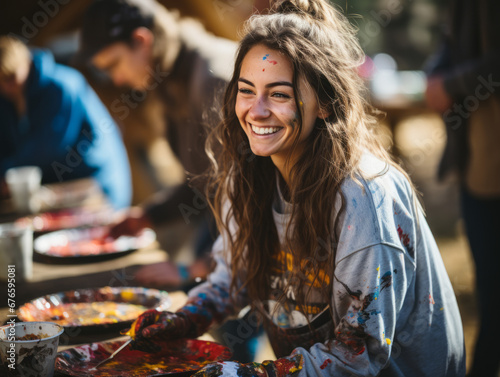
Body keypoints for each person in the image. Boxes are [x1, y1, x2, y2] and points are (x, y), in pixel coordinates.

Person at [128, 0, 466, 375]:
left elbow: (356, 356)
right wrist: (186, 320)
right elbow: (231, 276)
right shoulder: (248, 175)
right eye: (245, 90)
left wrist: (250, 373)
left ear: (323, 102)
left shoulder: (363, 199)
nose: (255, 111)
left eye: (279, 94)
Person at [75, 0, 238, 288]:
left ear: (142, 40)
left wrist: (199, 269)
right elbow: (205, 180)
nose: (117, 78)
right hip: (225, 227)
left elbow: (256, 198)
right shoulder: (169, 79)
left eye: (114, 64)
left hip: (261, 245)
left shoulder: (214, 80)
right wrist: (148, 215)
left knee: (227, 320)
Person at [425, 1, 500, 376]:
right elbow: (451, 43)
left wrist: (452, 84)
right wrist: (436, 75)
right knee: (490, 298)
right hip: (480, 169)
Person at [0, 35, 131, 210]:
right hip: (62, 189)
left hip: (96, 182)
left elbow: (47, 147)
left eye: (11, 77)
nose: (7, 86)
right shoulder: (9, 99)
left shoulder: (61, 86)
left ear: (26, 62)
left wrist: (7, 171)